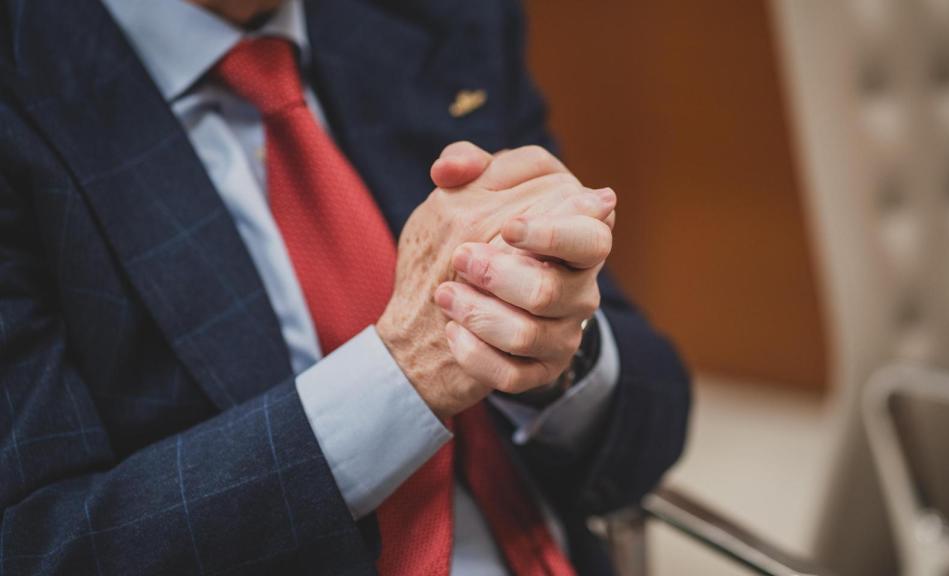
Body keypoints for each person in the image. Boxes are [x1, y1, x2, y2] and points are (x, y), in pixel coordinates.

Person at [0, 0, 691, 574]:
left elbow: (657, 414)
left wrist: (547, 350)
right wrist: (403, 373)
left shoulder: (445, 17)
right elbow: (39, 545)